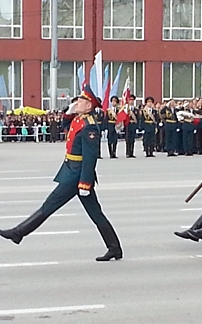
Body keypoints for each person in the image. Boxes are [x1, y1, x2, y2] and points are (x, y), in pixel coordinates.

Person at [0, 84, 123, 262]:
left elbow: (90, 158)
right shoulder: (79, 119)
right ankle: (115, 248)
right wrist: (68, 111)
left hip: (76, 176)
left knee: (48, 206)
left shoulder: (89, 127)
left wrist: (85, 183)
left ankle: (18, 232)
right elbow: (65, 124)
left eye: (81, 100)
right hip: (71, 170)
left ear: (89, 106)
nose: (78, 102)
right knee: (96, 213)